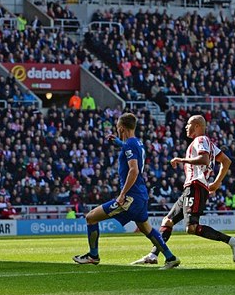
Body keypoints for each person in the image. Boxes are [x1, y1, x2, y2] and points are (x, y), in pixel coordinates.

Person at [73, 113, 180, 269]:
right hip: (141, 195)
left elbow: (133, 171)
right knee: (145, 228)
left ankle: (93, 255)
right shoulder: (137, 143)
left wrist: (122, 194)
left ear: (121, 128)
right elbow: (130, 150)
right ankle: (170, 257)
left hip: (130, 197)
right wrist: (118, 142)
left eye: (117, 128)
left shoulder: (129, 144)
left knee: (91, 218)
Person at [132, 115, 235, 265]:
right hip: (191, 186)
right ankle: (153, 255)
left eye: (188, 124)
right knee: (168, 220)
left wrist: (181, 160)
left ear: (197, 125)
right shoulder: (209, 144)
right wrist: (216, 183)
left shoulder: (200, 140)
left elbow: (204, 159)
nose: (186, 127)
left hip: (196, 185)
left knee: (191, 227)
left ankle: (232, 241)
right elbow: (226, 161)